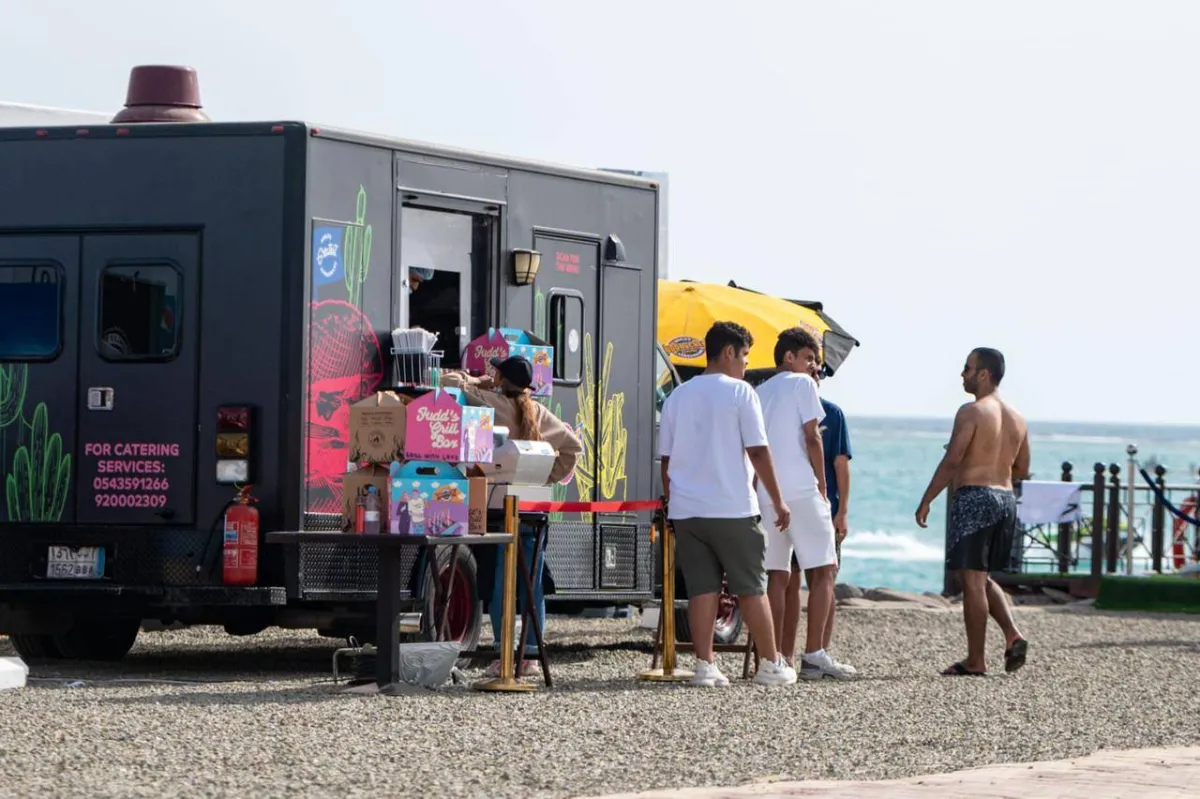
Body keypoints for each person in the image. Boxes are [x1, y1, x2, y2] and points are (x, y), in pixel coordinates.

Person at [659, 320, 798, 688]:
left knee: (702, 588)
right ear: (728, 352)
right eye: (745, 356)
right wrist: (779, 500)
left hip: (688, 509)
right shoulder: (741, 393)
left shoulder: (677, 396)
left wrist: (675, 505)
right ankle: (770, 664)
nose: (746, 365)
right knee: (751, 585)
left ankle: (705, 665)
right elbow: (758, 449)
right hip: (732, 506)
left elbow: (666, 462)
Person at [442, 354, 582, 675]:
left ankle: (504, 655)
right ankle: (531, 655)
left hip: (498, 509)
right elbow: (573, 448)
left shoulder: (490, 403)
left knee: (500, 585)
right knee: (532, 584)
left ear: (502, 379)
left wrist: (477, 380)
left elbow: (448, 383)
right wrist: (546, 475)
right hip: (533, 508)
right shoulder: (540, 412)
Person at [915, 347, 1031, 676]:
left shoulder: (971, 411)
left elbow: (952, 459)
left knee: (972, 580)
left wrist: (927, 499)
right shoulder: (1018, 417)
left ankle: (976, 660)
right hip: (1005, 498)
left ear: (984, 374)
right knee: (982, 576)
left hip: (975, 497)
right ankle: (1012, 635)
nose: (962, 374)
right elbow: (1022, 467)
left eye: (967, 368)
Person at [755, 328, 854, 680]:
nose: (814, 367)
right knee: (824, 569)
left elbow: (755, 446)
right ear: (788, 357)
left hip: (769, 493)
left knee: (778, 575)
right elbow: (813, 437)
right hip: (800, 488)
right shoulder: (803, 385)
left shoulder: (758, 391)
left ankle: (776, 658)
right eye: (809, 358)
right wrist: (823, 488)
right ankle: (814, 655)